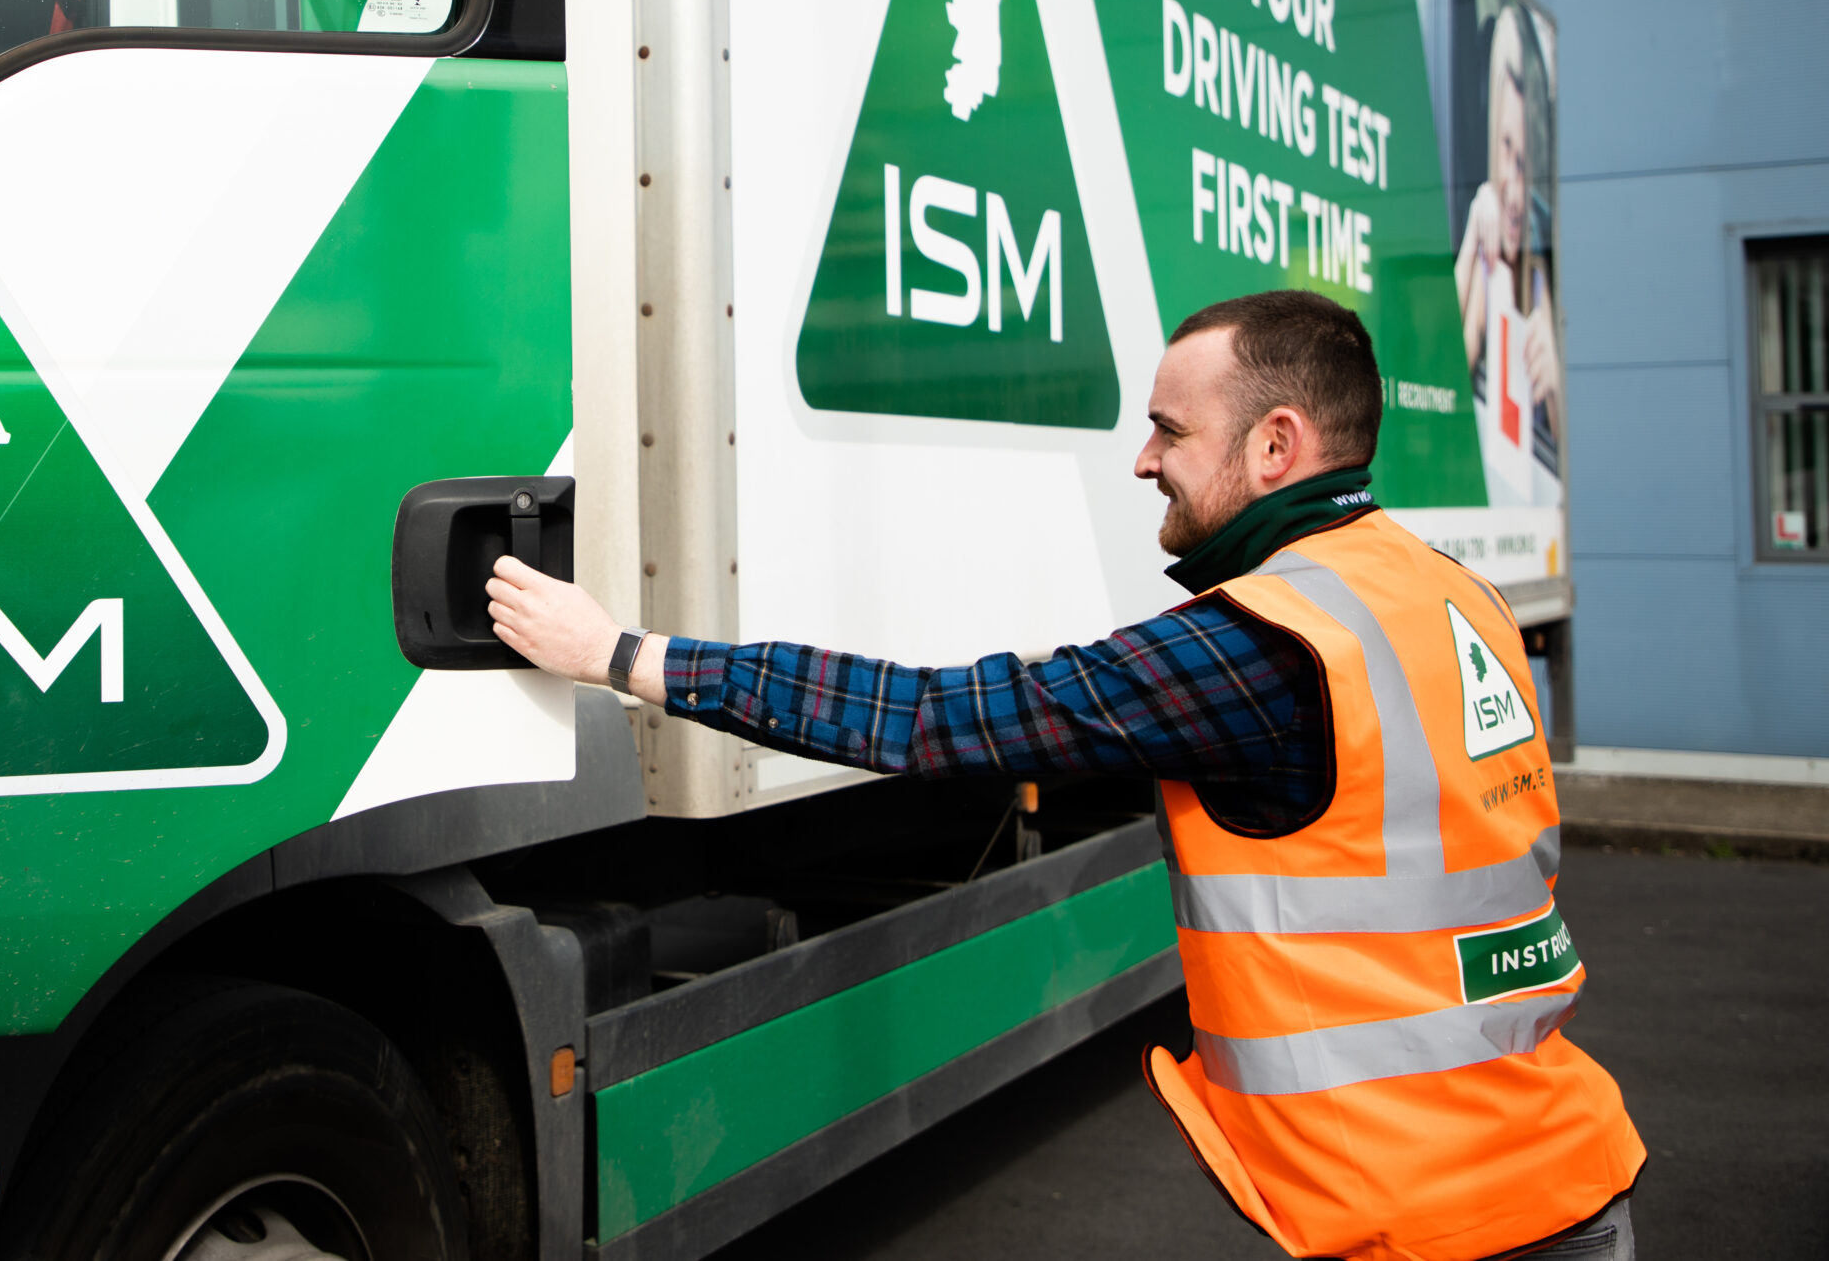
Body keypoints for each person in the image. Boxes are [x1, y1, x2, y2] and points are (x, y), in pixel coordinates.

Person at [487, 290, 1643, 1261]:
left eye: (1168, 432)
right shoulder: (1446, 592)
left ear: (1275, 445)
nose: (1144, 461)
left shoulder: (1264, 646)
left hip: (1441, 1225)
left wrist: (624, 657)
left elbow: (936, 719)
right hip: (1556, 1163)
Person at [1455, 7, 1560, 500]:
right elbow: (1444, 376)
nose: (1513, 190)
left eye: (1524, 163)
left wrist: (1555, 378)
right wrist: (1474, 245)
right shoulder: (1487, 255)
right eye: (1505, 152)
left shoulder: (1544, 266)